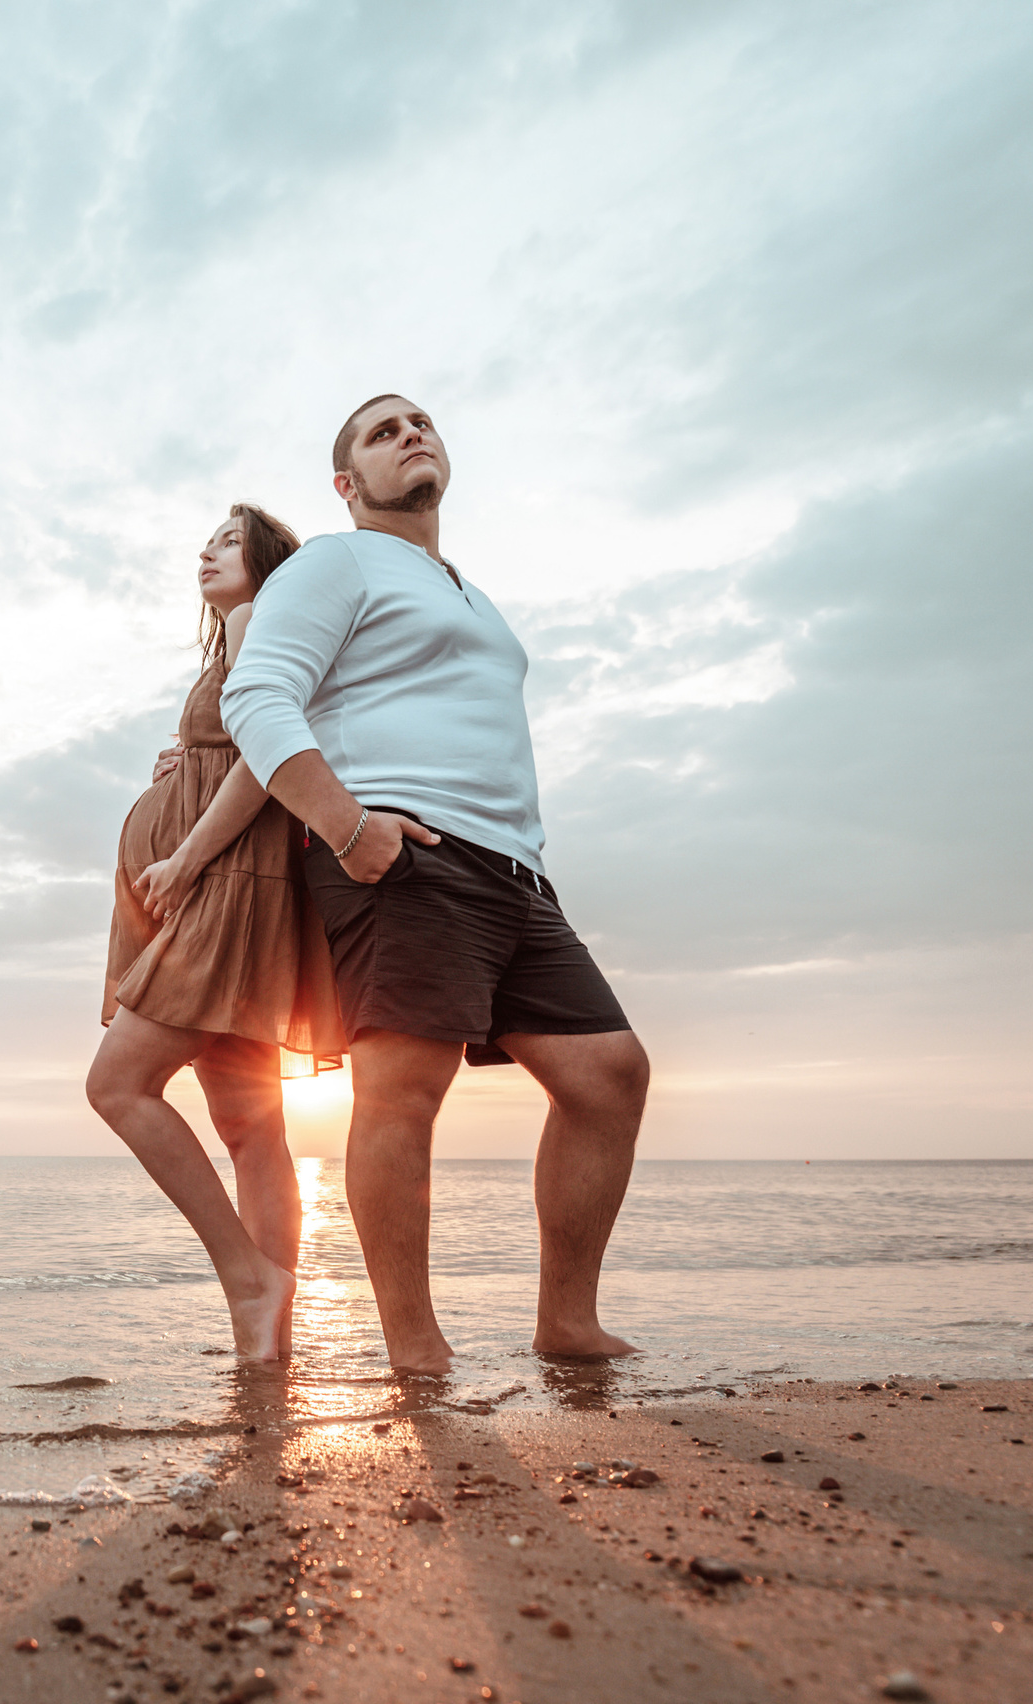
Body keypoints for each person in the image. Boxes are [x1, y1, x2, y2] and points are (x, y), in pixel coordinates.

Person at [220, 395, 648, 1373]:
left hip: (514, 871)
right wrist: (345, 825)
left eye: (420, 423)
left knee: (609, 1074)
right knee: (404, 1092)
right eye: (383, 432)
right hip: (404, 852)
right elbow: (258, 693)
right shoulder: (336, 561)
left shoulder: (469, 594)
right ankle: (415, 1350)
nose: (411, 434)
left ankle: (566, 1324)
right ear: (346, 484)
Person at [87, 504, 344, 1363]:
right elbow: (239, 748)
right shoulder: (247, 636)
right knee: (250, 1128)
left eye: (229, 541)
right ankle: (269, 1342)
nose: (207, 551)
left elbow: (267, 752)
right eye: (207, 540)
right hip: (230, 887)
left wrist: (185, 860)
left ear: (266, 560)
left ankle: (249, 1281)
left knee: (118, 1086)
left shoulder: (251, 618)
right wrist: (185, 765)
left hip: (224, 888)